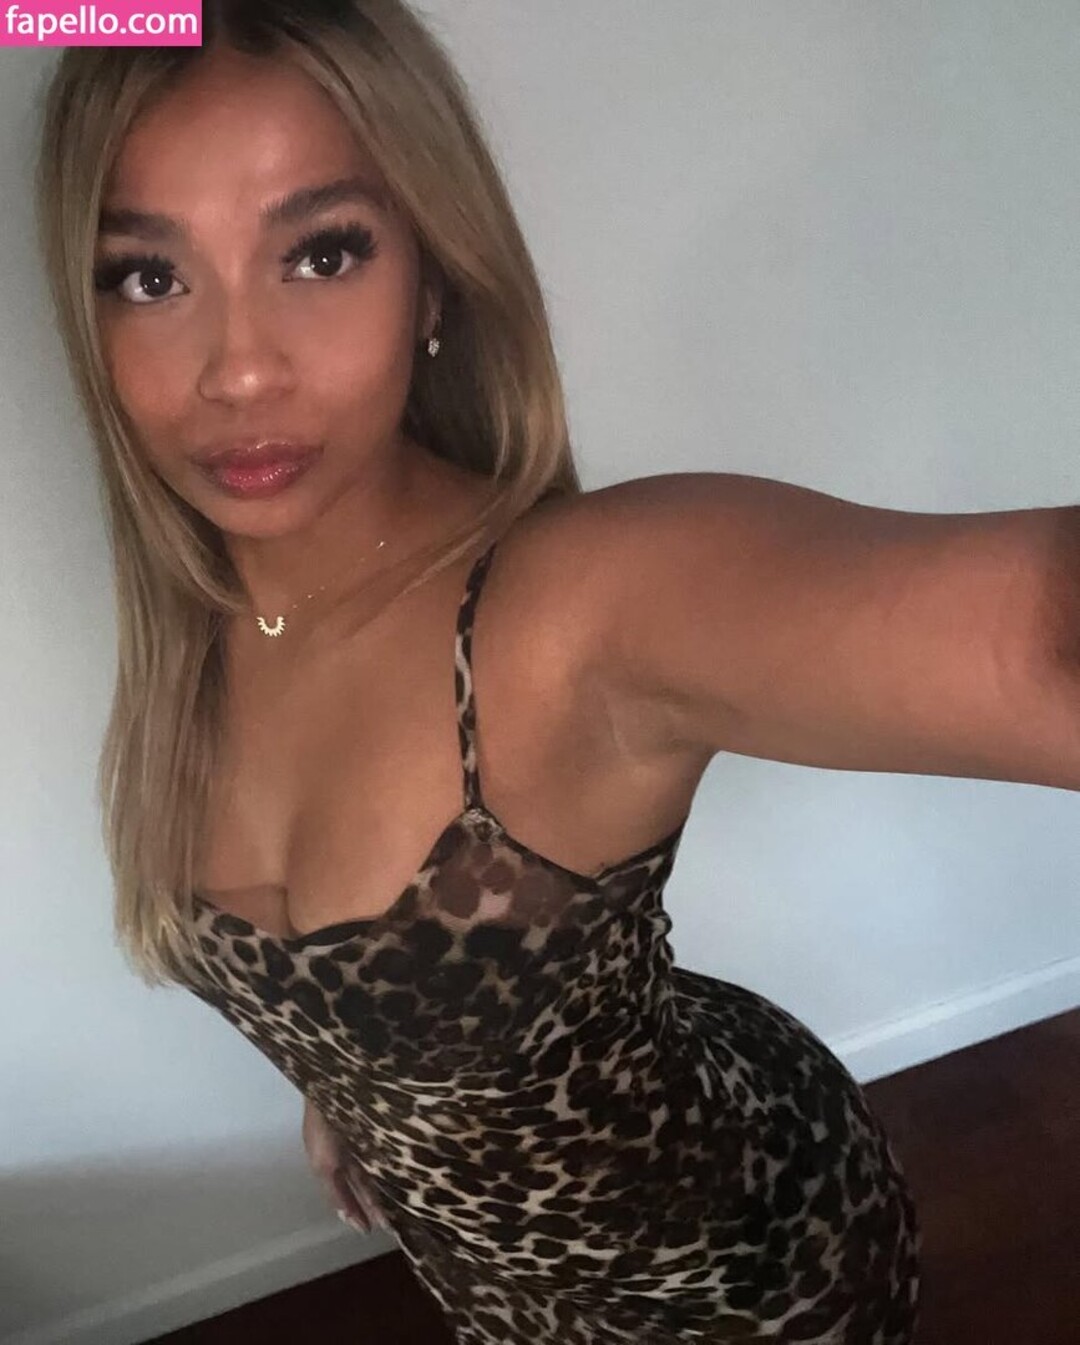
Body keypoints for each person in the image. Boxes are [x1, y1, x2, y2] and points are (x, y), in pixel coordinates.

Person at [34, 2, 1080, 1341]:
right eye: (149, 277)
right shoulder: (197, 625)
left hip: (745, 1283)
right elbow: (341, 977)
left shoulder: (573, 610)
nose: (238, 370)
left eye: (323, 252)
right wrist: (355, 1088)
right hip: (499, 1299)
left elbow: (1040, 644)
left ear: (432, 278)